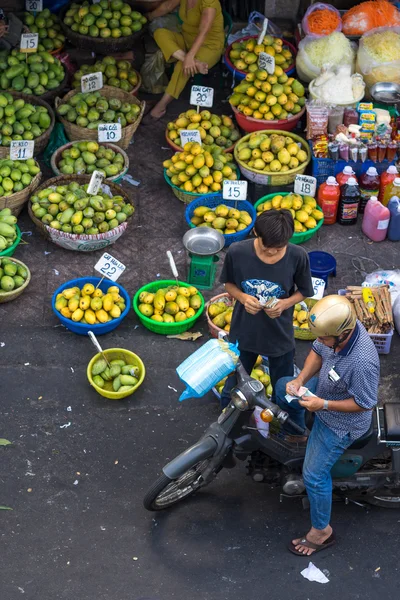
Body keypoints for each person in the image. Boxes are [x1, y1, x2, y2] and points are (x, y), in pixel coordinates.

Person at [275, 295, 380, 556]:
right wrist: (299, 380)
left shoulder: (363, 361)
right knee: (281, 388)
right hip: (324, 394)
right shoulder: (335, 335)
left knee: (314, 475)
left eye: (324, 338)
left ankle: (322, 531)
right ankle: (299, 434)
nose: (319, 341)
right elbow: (317, 351)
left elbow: (365, 402)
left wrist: (322, 405)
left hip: (339, 422)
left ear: (343, 334)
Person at [219, 209, 314, 409]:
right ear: (255, 232)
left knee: (283, 387)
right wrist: (243, 298)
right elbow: (228, 284)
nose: (271, 252)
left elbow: (305, 291)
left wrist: (285, 303)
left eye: (279, 249)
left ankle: (282, 426)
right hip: (244, 331)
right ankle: (226, 421)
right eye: (266, 247)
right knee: (233, 385)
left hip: (279, 333)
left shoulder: (298, 256)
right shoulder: (237, 252)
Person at [146, 0, 225, 119]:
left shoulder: (210, 2)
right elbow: (167, 6)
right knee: (160, 33)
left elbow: (204, 31)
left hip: (209, 46)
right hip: (187, 40)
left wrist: (190, 56)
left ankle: (161, 106)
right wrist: (149, 16)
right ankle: (192, 61)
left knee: (181, 67)